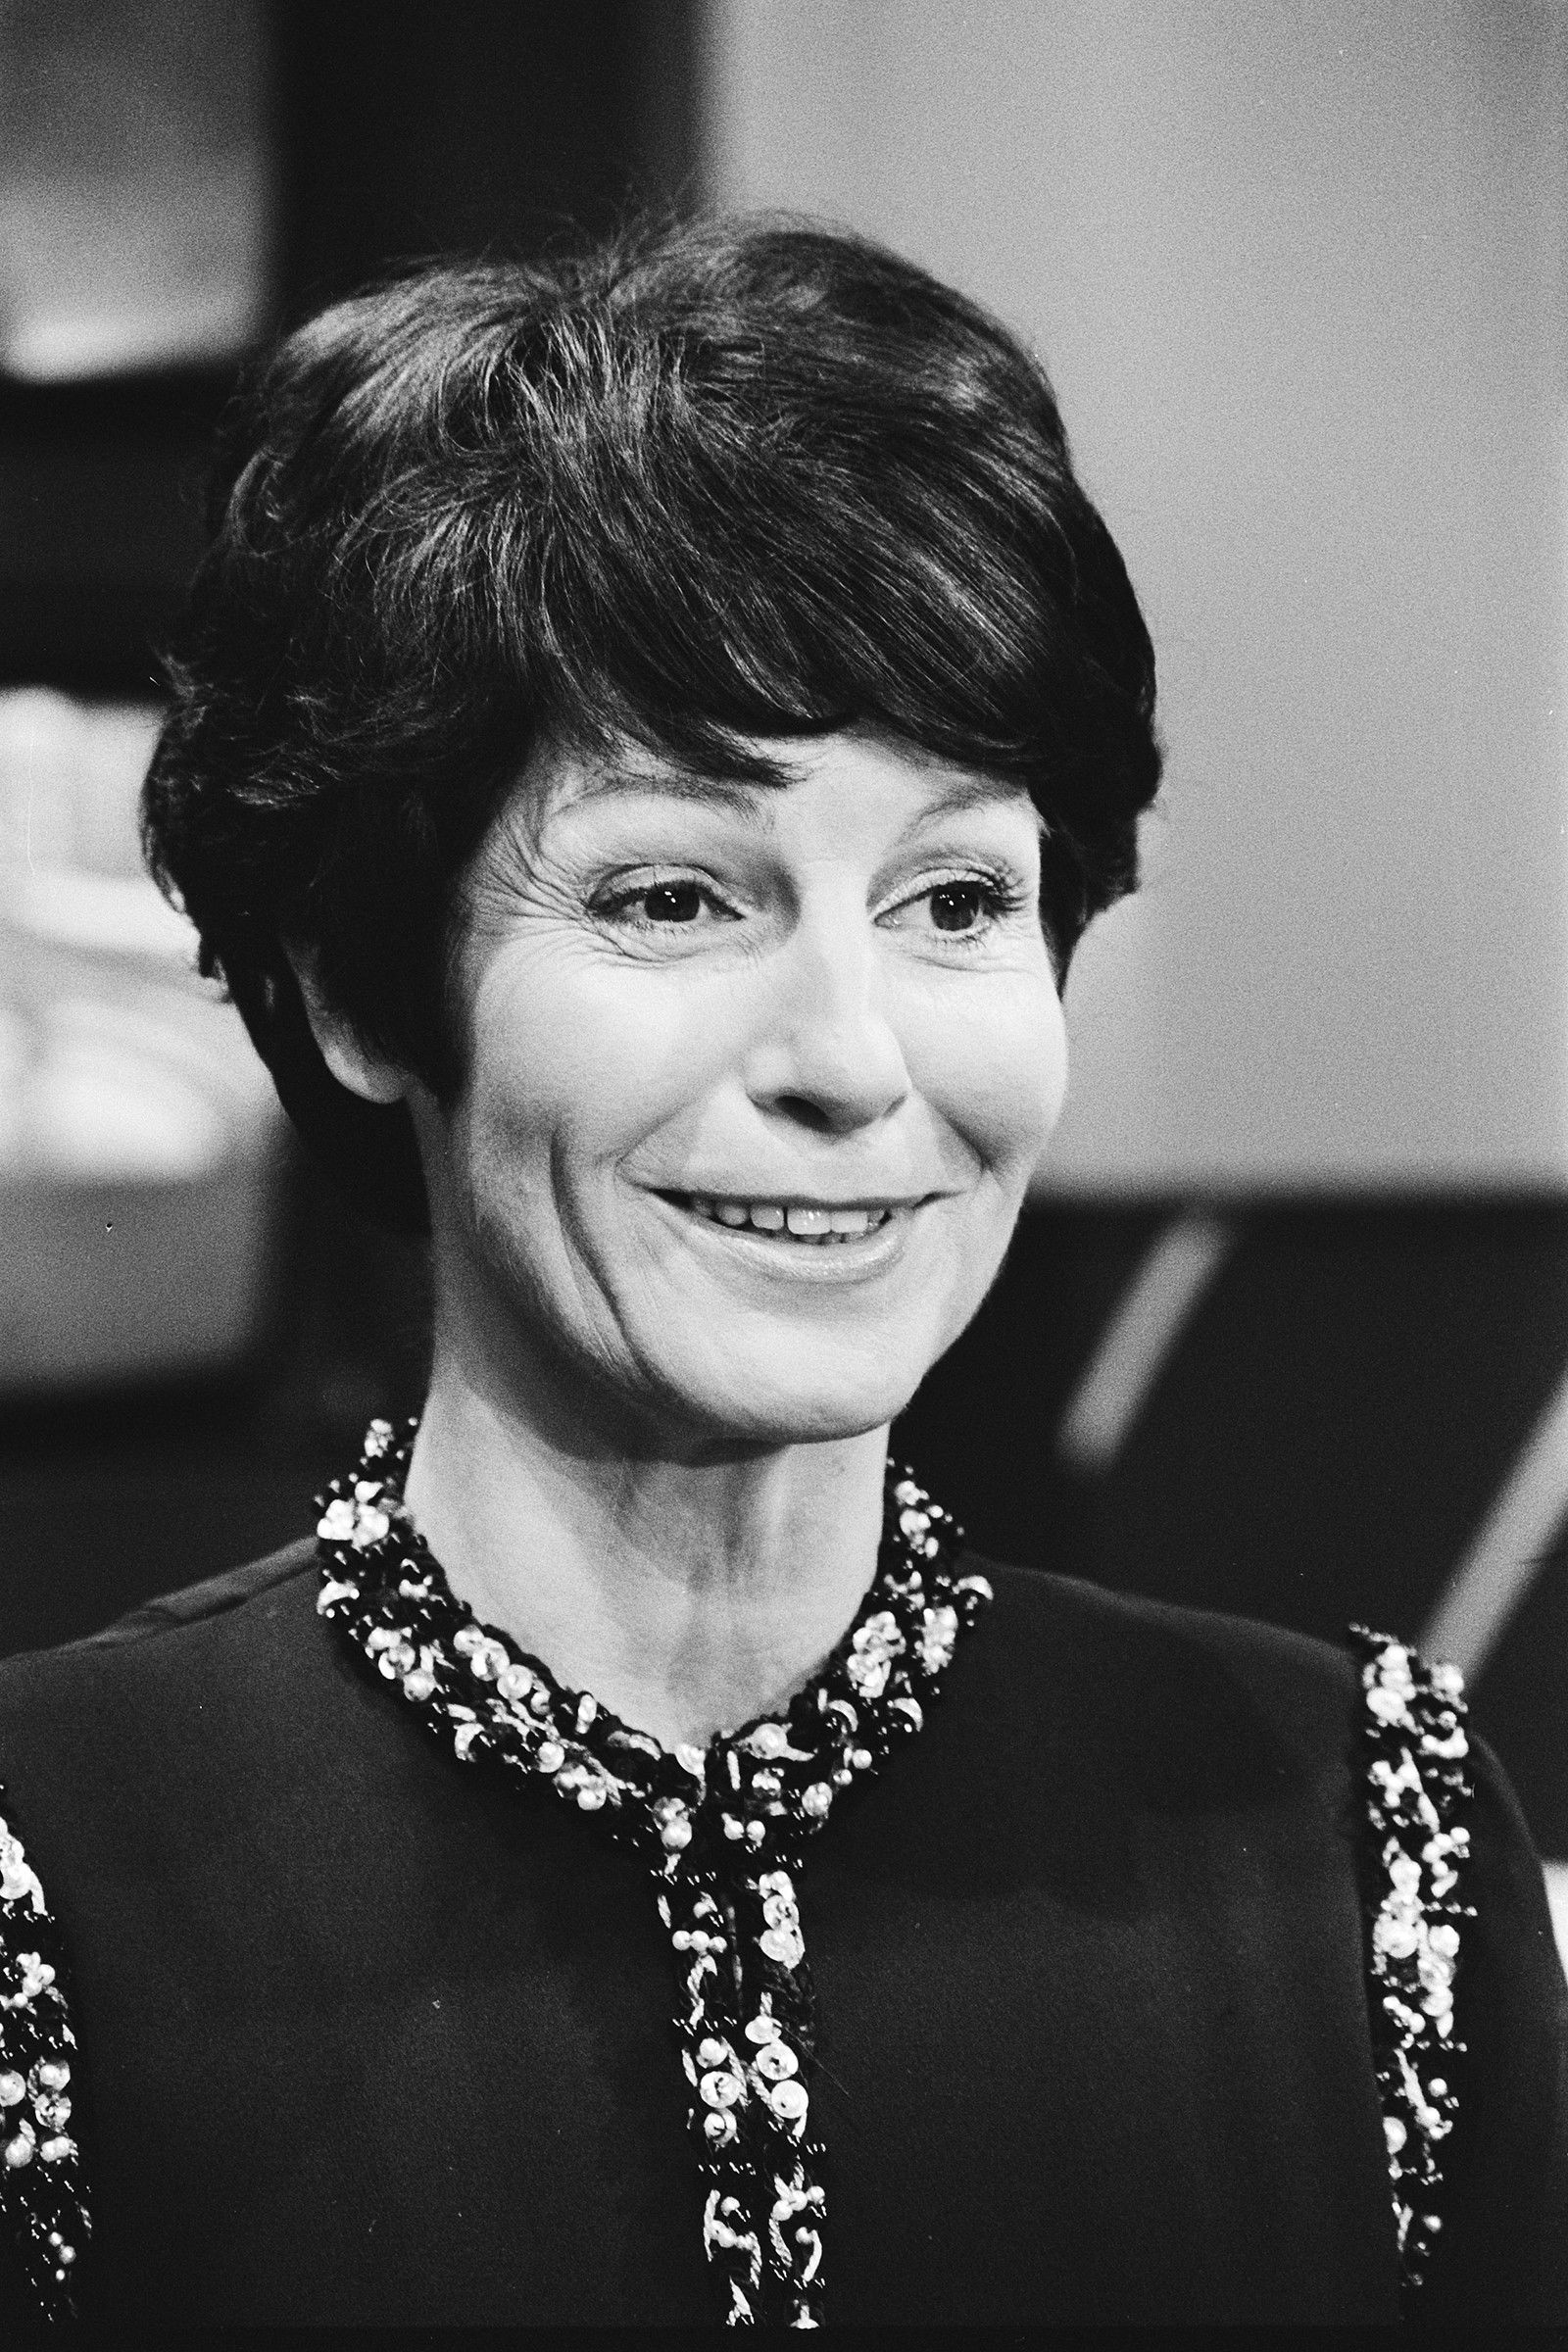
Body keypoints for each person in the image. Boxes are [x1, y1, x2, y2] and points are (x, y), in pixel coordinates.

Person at [1, 216, 1564, 2331]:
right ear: (357, 984)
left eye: (954, 900)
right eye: (673, 895)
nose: (852, 1058)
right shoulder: (43, 1878)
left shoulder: (1361, 1838)